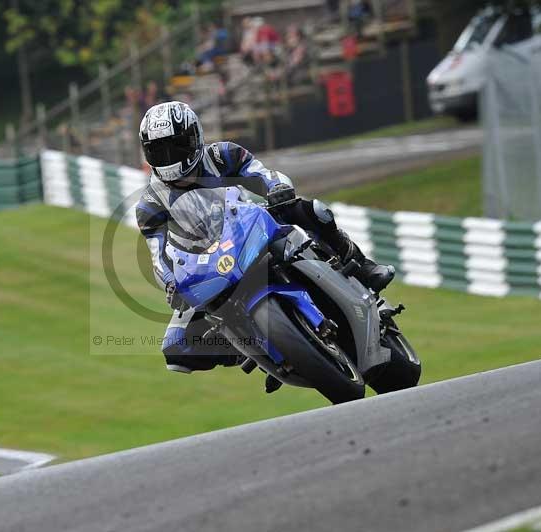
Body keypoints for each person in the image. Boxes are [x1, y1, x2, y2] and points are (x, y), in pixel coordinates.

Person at [135, 101, 395, 389]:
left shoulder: (222, 155)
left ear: (195, 138)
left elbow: (261, 173)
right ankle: (256, 351)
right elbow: (159, 255)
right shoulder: (150, 204)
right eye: (159, 150)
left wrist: (277, 188)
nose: (169, 157)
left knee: (310, 210)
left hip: (248, 224)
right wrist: (171, 283)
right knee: (177, 348)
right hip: (206, 263)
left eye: (176, 146)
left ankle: (361, 265)